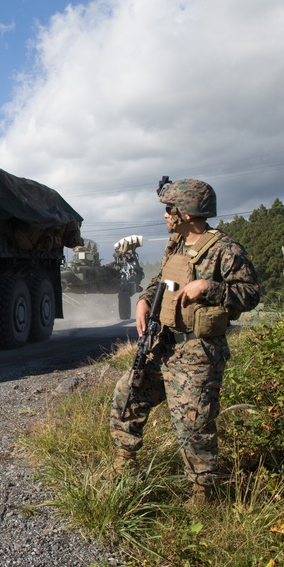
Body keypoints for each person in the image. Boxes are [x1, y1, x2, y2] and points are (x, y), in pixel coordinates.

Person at [108, 178, 260, 504]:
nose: (164, 215)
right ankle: (125, 468)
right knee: (128, 394)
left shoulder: (224, 250)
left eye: (168, 209)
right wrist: (144, 300)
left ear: (187, 212)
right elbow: (161, 281)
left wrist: (209, 287)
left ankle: (204, 495)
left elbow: (250, 294)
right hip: (163, 345)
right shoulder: (175, 245)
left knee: (194, 425)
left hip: (197, 352)